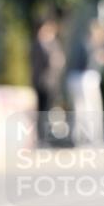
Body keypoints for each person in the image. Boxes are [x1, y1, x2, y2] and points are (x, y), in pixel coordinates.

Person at [31, 17, 65, 145]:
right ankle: (41, 139)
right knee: (42, 110)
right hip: (41, 82)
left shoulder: (53, 44)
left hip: (51, 82)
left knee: (48, 110)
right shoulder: (38, 44)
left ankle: (46, 138)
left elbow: (59, 61)